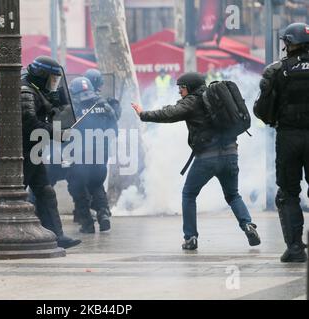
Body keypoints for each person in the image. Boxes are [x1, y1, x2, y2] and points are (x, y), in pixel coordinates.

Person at [132, 72, 261, 250]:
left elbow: (169, 113)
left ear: (190, 87)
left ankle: (190, 238)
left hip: (207, 158)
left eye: (182, 88)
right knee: (233, 195)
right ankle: (247, 225)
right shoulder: (217, 98)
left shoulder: (193, 101)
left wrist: (143, 114)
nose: (179, 92)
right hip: (231, 154)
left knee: (189, 194)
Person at [253, 22, 309, 263]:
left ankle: (295, 249)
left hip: (289, 138)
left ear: (288, 43)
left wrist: (274, 119)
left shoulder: (276, 71)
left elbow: (262, 110)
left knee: (288, 193)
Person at [21, 55, 81, 249]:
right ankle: (9, 231)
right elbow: (30, 123)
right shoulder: (26, 91)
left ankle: (56, 235)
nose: (54, 84)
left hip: (33, 151)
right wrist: (57, 134)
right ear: (41, 75)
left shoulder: (37, 90)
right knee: (12, 196)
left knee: (46, 192)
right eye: (52, 79)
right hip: (19, 152)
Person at [67, 77, 118, 233]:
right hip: (101, 154)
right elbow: (114, 130)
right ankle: (103, 213)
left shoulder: (74, 106)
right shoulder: (103, 104)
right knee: (96, 184)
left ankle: (87, 224)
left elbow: (65, 131)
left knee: (77, 187)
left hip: (79, 155)